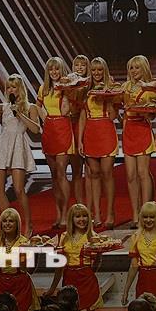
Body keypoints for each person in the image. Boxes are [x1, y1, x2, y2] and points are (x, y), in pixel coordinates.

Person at [0, 75, 40, 237]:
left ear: (21, 89)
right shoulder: (3, 107)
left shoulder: (31, 107)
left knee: (19, 189)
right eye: (8, 87)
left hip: (18, 147)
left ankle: (28, 224)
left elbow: (36, 129)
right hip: (2, 147)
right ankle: (10, 226)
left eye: (14, 87)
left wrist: (19, 114)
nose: (11, 90)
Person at [78, 57, 119, 229]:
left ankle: (110, 213)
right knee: (93, 173)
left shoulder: (112, 87)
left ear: (104, 71)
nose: (96, 73)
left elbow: (114, 116)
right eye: (94, 70)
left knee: (107, 173)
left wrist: (108, 98)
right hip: (90, 133)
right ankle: (96, 214)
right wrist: (80, 140)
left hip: (106, 132)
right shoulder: (85, 88)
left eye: (99, 70)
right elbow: (82, 116)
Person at [38, 57, 76, 229]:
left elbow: (67, 110)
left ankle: (66, 214)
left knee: (61, 172)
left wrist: (67, 91)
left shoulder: (67, 88)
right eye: (51, 69)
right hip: (49, 131)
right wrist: (44, 118)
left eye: (57, 69)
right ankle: (58, 213)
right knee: (54, 174)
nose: (54, 72)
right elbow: (38, 106)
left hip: (63, 129)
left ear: (62, 70)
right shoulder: (43, 88)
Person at [47, 204, 102, 311]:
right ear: (71, 219)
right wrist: (52, 288)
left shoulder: (94, 238)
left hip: (87, 282)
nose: (82, 219)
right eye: (78, 216)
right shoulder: (63, 237)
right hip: (69, 281)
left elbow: (97, 263)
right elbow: (59, 267)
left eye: (84, 216)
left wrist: (88, 271)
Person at [123, 202, 156, 311]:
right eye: (145, 217)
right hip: (143, 284)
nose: (148, 220)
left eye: (152, 217)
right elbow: (134, 266)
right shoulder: (136, 237)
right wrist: (126, 290)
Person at [122, 55, 156, 223]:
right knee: (130, 175)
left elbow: (154, 113)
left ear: (144, 69)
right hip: (128, 131)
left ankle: (146, 211)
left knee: (143, 173)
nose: (134, 71)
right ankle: (135, 213)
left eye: (137, 67)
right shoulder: (125, 87)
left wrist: (148, 111)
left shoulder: (150, 88)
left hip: (142, 130)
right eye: (131, 68)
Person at [0, 209, 39, 311]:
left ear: (17, 224)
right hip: (1, 286)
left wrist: (35, 253)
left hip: (21, 287)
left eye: (11, 221)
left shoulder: (25, 243)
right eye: (4, 221)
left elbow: (30, 271)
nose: (7, 224)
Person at [68, 55, 90, 208]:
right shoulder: (68, 84)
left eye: (83, 65)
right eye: (77, 65)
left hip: (89, 126)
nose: (80, 68)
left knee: (90, 171)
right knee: (76, 171)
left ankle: (91, 206)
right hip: (72, 126)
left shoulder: (91, 84)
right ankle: (79, 206)